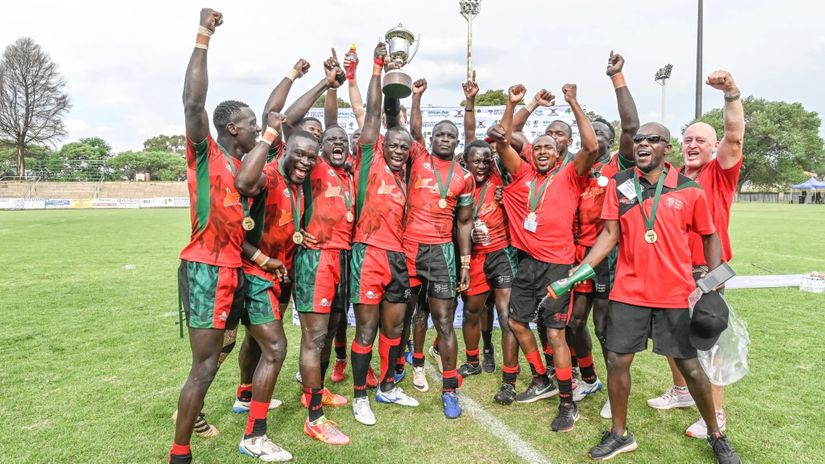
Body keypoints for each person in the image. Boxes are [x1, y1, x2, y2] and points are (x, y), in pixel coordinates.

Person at [169, 9, 291, 463]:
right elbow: (194, 105)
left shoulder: (247, 167)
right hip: (206, 267)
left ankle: (254, 433)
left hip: (241, 267)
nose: (258, 129)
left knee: (271, 345)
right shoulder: (206, 154)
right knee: (204, 366)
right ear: (232, 128)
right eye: (251, 124)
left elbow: (281, 119)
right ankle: (180, 452)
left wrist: (261, 260)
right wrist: (204, 36)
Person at [579, 122, 740, 463]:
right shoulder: (621, 185)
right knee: (617, 360)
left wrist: (712, 283)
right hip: (628, 291)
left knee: (692, 368)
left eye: (653, 140)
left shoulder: (689, 189)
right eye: (639, 139)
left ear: (667, 149)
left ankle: (715, 433)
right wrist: (582, 268)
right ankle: (619, 434)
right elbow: (609, 234)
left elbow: (710, 235)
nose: (643, 144)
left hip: (674, 294)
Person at [496, 83, 600, 432]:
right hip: (527, 263)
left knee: (556, 334)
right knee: (517, 323)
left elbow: (591, 146)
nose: (541, 151)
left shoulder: (571, 174)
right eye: (537, 147)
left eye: (548, 147)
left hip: (558, 266)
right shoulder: (523, 173)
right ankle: (541, 377)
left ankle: (567, 403)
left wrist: (573, 101)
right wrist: (515, 105)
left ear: (559, 154)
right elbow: (503, 138)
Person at [647, 70, 745, 439]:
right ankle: (682, 392)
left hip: (706, 272)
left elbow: (735, 135)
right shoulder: (670, 178)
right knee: (671, 338)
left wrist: (731, 94)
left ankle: (716, 413)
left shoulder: (718, 173)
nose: (692, 144)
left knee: (709, 344)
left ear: (714, 145)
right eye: (687, 138)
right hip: (671, 270)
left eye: (700, 139)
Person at [348, 43, 421, 426]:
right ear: (381, 146)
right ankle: (361, 396)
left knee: (394, 327)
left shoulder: (408, 176)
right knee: (367, 328)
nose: (397, 149)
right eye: (392, 144)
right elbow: (376, 113)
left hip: (398, 258)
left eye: (403, 146)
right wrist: (377, 69)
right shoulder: (368, 161)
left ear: (409, 152)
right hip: (368, 253)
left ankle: (388, 386)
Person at [567, 52, 640, 418]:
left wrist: (617, 78)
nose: (595, 137)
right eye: (590, 132)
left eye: (602, 134)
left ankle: (615, 389)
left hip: (610, 257)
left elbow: (631, 128)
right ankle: (589, 377)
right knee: (574, 322)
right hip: (578, 256)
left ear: (612, 141)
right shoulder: (574, 169)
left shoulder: (620, 167)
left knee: (604, 327)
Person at [405, 78, 474, 419]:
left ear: (457, 142)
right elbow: (414, 129)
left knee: (444, 321)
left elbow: (463, 223)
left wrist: (464, 263)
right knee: (412, 313)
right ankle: (415, 362)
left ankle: (449, 388)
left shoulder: (463, 176)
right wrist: (417, 97)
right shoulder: (417, 157)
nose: (445, 139)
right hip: (408, 247)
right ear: (432, 140)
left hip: (441, 252)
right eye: (440, 135)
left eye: (451, 136)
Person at [458, 72, 520, 405]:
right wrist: (469, 101)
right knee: (471, 310)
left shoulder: (497, 171)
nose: (481, 164)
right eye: (474, 159)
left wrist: (510, 104)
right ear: (464, 161)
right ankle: (474, 357)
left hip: (502, 252)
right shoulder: (460, 182)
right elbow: (471, 137)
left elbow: (498, 140)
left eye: (485, 159)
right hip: (475, 257)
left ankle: (509, 379)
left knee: (507, 313)